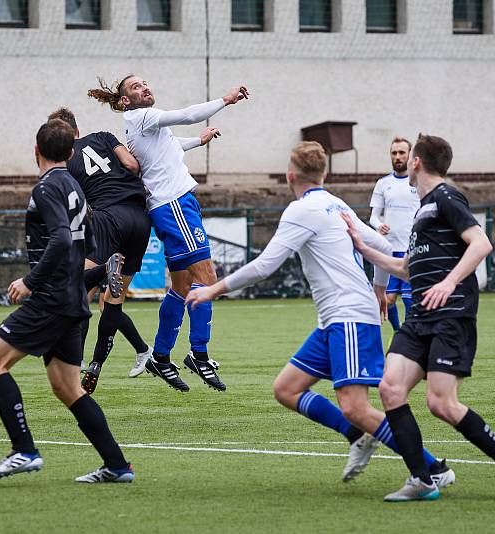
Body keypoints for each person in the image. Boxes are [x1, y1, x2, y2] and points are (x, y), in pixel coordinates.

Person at [185, 141, 453, 485]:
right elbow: (384, 246)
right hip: (334, 320)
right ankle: (356, 437)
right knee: (287, 389)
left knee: (357, 408)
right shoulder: (335, 203)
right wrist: (380, 289)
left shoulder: (303, 210)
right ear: (324, 174)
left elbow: (266, 265)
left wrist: (213, 289)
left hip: (350, 317)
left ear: (290, 175)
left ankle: (433, 468)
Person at [341, 132, 495, 502]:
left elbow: (482, 243)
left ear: (416, 162)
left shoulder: (447, 196)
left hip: (451, 313)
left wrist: (449, 281)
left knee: (441, 403)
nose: (405, 160)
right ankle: (422, 480)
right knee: (390, 389)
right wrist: (362, 247)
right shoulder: (422, 210)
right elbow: (404, 268)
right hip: (420, 317)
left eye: (408, 155)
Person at [0, 119, 134, 483]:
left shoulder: (47, 187)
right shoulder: (76, 187)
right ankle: (116, 465)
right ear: (71, 153)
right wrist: (94, 273)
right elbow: (90, 242)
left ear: (36, 151)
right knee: (67, 388)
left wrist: (31, 281)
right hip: (71, 298)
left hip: (50, 298)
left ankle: (24, 451)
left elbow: (62, 239)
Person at [88, 75, 248, 392]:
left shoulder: (141, 124)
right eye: (135, 87)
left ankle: (160, 356)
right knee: (207, 278)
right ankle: (199, 354)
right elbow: (188, 114)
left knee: (182, 285)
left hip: (173, 205)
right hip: (174, 206)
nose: (145, 87)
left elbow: (166, 148)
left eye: (146, 83)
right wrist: (225, 101)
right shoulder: (143, 116)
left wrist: (197, 142)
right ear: (124, 101)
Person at [46, 107, 153, 394]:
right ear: (77, 130)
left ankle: (76, 359)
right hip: (141, 219)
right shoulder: (103, 137)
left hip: (108, 219)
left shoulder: (65, 163)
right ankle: (100, 361)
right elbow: (132, 165)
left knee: (79, 290)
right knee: (111, 301)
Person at [368, 137, 419, 331]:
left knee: (409, 299)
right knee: (388, 300)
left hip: (411, 250)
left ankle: (409, 335)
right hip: (389, 250)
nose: (397, 157)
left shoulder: (417, 182)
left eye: (401, 153)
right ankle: (399, 332)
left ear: (410, 155)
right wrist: (379, 225)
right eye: (394, 153)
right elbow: (373, 217)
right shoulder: (383, 183)